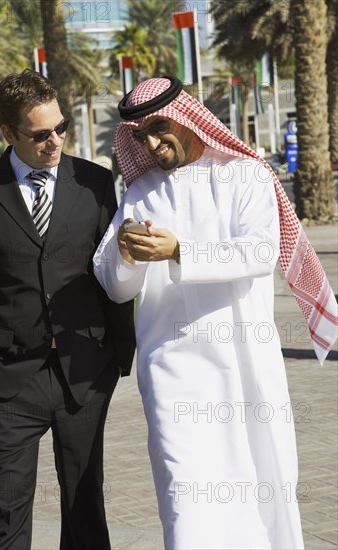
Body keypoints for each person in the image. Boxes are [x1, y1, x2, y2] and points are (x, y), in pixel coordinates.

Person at [94, 76, 338, 550]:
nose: (151, 141)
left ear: (187, 116)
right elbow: (115, 286)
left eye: (160, 126)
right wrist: (124, 253)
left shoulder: (246, 174)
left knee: (261, 485)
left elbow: (260, 252)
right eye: (140, 134)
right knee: (185, 498)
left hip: (244, 366)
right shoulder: (141, 191)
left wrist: (180, 250)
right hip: (171, 372)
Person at [0, 69, 135, 550]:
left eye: (61, 128)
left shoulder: (95, 182)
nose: (55, 141)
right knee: (4, 515)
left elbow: (111, 273)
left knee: (86, 511)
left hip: (84, 375)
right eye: (41, 134)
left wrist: (119, 355)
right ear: (8, 133)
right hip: (5, 378)